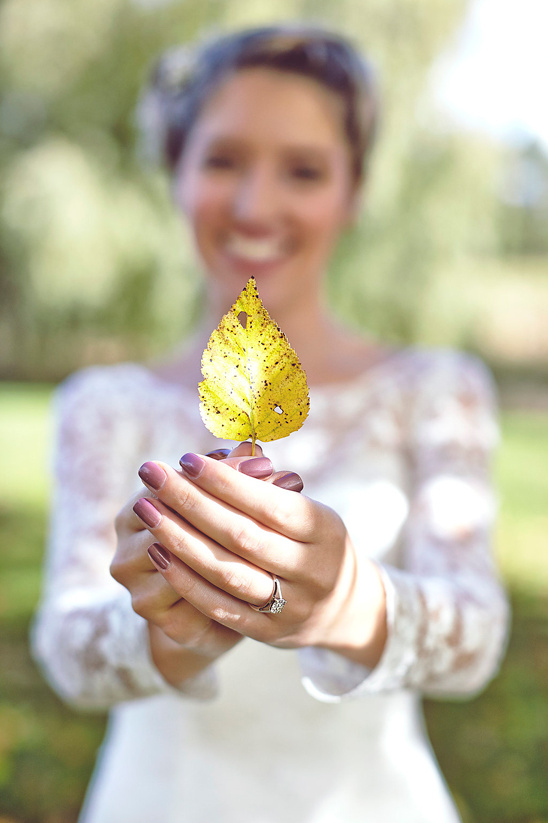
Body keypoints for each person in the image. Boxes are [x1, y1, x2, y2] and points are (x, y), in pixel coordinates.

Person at [31, 25, 510, 823]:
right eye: (222, 160)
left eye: (304, 170)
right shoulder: (103, 404)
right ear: (175, 172)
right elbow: (69, 654)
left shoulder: (436, 390)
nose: (256, 205)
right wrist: (172, 628)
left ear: (353, 192)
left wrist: (348, 601)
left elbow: (477, 640)